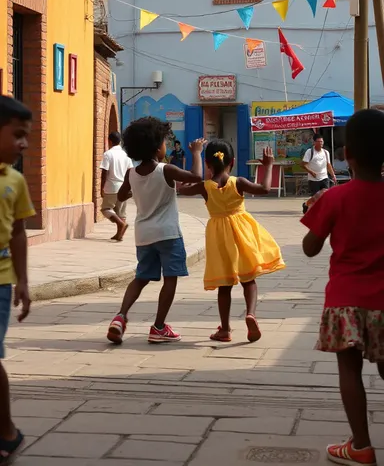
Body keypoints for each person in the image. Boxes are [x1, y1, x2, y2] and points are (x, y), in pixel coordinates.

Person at [301, 108, 384, 466]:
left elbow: (310, 248)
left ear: (346, 154)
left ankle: (361, 446)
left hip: (346, 300)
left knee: (349, 371)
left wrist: (318, 209)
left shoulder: (335, 198)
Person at [107, 117, 205, 345]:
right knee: (170, 279)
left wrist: (137, 192)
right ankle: (159, 327)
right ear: (155, 147)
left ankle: (120, 317)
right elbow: (197, 177)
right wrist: (197, 152)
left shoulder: (132, 173)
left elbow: (121, 196)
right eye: (164, 143)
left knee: (140, 277)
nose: (166, 147)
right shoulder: (166, 170)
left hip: (144, 235)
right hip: (168, 234)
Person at [178, 139, 285, 343]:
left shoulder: (204, 187)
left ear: (208, 164)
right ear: (233, 162)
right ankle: (251, 314)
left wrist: (195, 155)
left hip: (219, 236)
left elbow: (183, 187)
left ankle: (225, 329)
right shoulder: (239, 182)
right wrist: (268, 166)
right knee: (249, 279)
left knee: (224, 285)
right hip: (242, 233)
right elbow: (264, 188)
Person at [0, 96, 35, 463]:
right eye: (18, 135)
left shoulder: (15, 181)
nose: (24, 144)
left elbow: (19, 232)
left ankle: (7, 430)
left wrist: (23, 281)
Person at [100, 131, 133, 241]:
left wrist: (102, 187)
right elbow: (130, 171)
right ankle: (120, 235)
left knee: (106, 209)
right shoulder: (125, 155)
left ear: (109, 141)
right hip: (123, 186)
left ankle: (120, 224)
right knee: (121, 212)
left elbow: (104, 172)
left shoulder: (108, 154)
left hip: (111, 186)